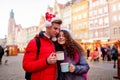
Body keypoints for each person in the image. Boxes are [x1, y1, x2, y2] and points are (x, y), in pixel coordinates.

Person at [22, 12, 62, 80]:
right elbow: (26, 66)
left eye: (59, 29)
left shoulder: (55, 42)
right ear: (47, 26)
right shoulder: (34, 42)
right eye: (55, 28)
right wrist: (46, 61)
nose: (57, 31)